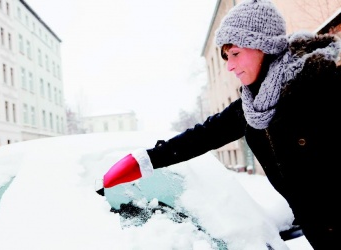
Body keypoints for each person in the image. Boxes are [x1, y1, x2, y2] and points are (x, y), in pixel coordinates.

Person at [98, 0, 341, 249]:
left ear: (264, 46)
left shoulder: (323, 86)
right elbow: (204, 135)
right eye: (226, 57)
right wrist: (144, 160)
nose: (229, 66)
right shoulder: (253, 106)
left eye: (235, 53)